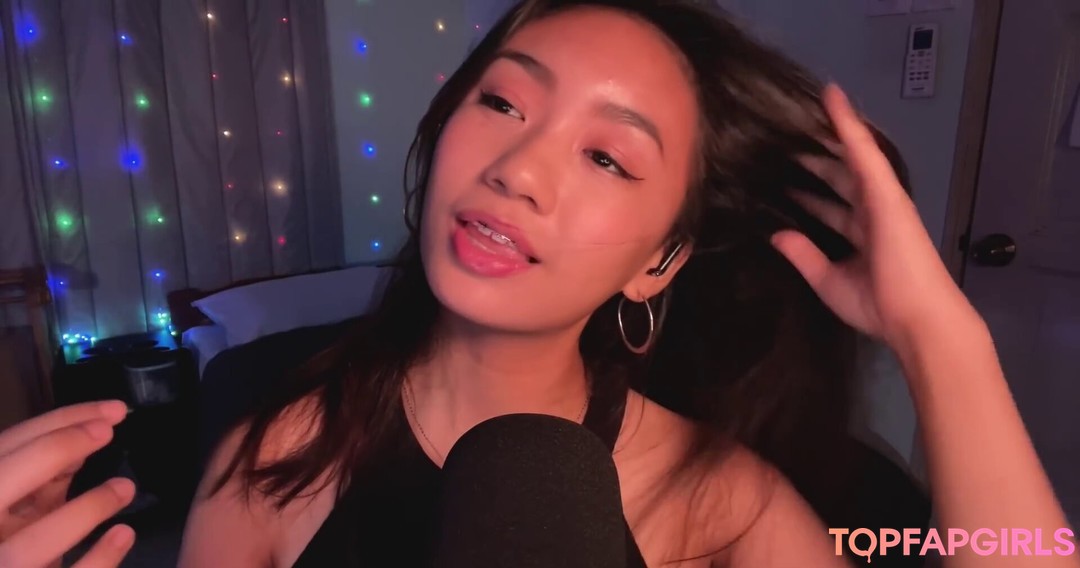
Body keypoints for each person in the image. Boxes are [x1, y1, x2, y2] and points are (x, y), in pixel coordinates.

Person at [0, 0, 1074, 566]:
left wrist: (943, 341)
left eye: (607, 156)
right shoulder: (274, 461)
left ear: (660, 259)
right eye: (504, 103)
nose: (517, 168)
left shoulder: (724, 506)